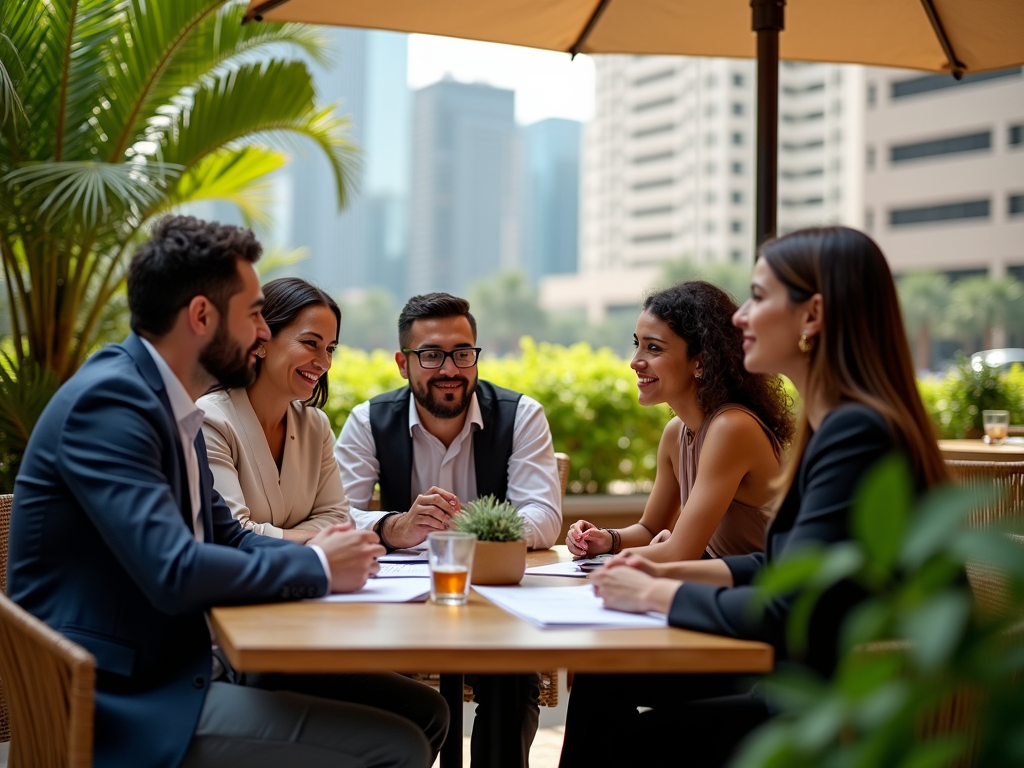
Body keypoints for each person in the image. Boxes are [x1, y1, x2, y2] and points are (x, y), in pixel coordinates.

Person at [8, 216, 436, 768]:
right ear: (202, 316)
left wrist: (329, 556)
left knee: (424, 714)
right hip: (123, 698)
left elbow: (229, 535)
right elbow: (175, 570)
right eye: (255, 313)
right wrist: (319, 568)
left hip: (177, 666)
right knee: (397, 746)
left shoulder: (165, 403)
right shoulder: (112, 403)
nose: (262, 332)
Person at [559, 227, 950, 768]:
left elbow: (793, 607)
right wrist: (664, 575)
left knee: (631, 744)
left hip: (831, 695)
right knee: (605, 683)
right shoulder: (834, 422)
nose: (739, 317)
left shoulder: (856, 431)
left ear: (812, 316)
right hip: (801, 664)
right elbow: (782, 564)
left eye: (759, 298)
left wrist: (655, 595)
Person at [199, 277, 448, 758]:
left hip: (303, 623)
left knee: (432, 711)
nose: (323, 361)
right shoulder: (210, 421)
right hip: (235, 644)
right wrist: (318, 542)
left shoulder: (312, 425)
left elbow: (338, 519)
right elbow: (234, 535)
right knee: (406, 732)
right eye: (310, 343)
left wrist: (304, 537)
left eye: (330, 348)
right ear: (261, 337)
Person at [334, 292, 562, 768]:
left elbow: (543, 515)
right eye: (431, 355)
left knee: (513, 676)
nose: (449, 369)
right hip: (398, 609)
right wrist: (395, 527)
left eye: (462, 353)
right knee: (372, 679)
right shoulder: (368, 420)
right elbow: (333, 516)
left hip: (494, 602)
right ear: (403, 363)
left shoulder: (522, 415)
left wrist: (472, 527)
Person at [565, 281, 792, 562]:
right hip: (720, 587)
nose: (636, 361)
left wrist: (612, 559)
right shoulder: (676, 434)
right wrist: (606, 540)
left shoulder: (732, 428)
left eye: (654, 348)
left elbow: (681, 551)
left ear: (700, 362)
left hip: (767, 596)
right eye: (638, 344)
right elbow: (651, 529)